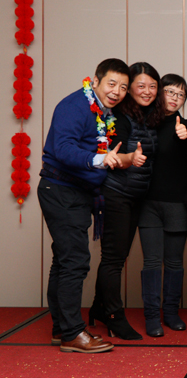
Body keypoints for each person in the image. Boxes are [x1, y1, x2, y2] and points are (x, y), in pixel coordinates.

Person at [38, 58, 131, 353]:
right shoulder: (75, 105)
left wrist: (121, 159)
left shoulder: (103, 111)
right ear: (96, 80)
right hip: (61, 189)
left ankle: (61, 327)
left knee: (64, 261)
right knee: (75, 262)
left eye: (123, 87)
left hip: (76, 192)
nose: (117, 91)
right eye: (112, 84)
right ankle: (72, 333)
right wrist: (100, 159)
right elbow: (63, 149)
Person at [90, 62, 164, 340]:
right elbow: (111, 156)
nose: (147, 91)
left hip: (135, 196)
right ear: (129, 89)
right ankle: (113, 315)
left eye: (152, 86)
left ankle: (99, 307)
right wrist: (130, 159)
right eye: (140, 85)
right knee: (113, 259)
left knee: (117, 256)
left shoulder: (148, 116)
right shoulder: (120, 116)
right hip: (116, 194)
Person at [138, 74, 187, 337]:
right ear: (159, 93)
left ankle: (170, 313)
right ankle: (151, 316)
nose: (175, 98)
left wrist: (186, 135)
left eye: (181, 95)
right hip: (148, 203)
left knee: (174, 262)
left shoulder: (186, 126)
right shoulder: (144, 122)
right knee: (151, 262)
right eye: (170, 92)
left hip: (177, 203)